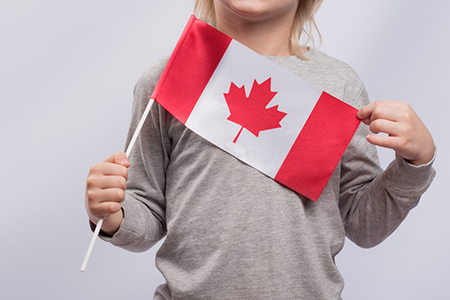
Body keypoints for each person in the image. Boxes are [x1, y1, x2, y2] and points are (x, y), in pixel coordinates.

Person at [85, 0, 436, 299]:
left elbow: (363, 224)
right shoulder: (169, 78)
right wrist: (111, 215)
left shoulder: (340, 86)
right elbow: (148, 213)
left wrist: (414, 163)